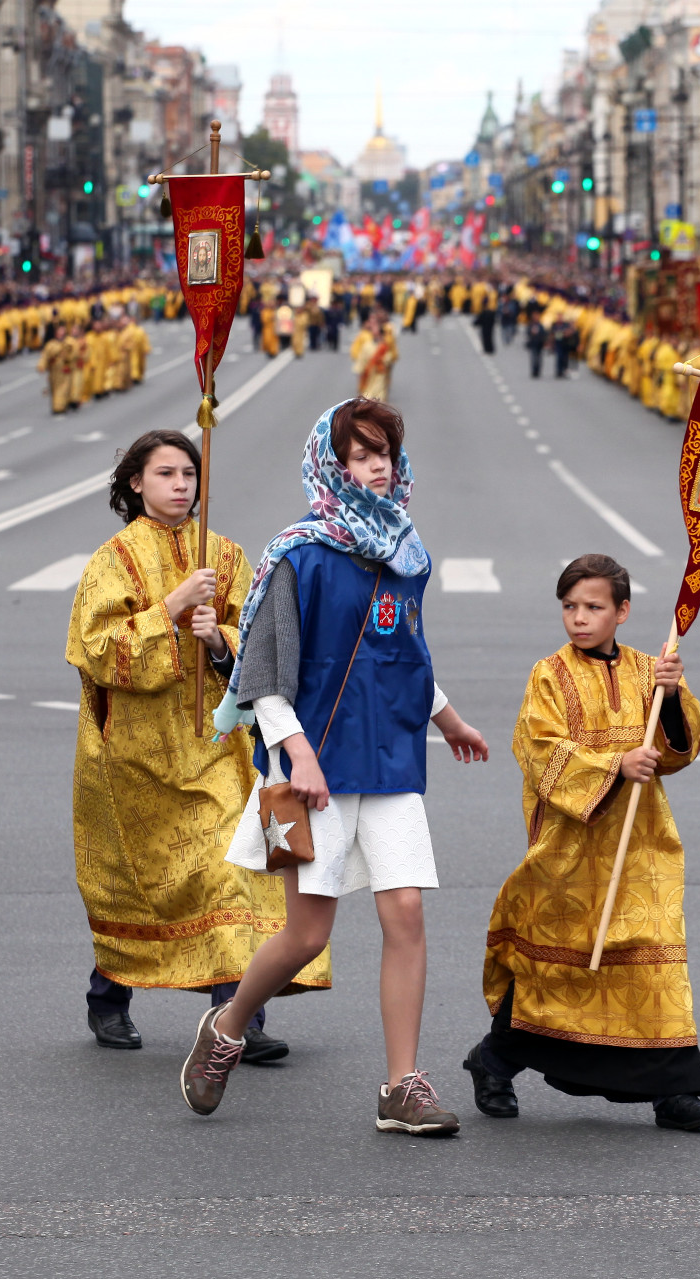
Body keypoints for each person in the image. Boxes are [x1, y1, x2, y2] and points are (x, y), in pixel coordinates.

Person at [178, 397, 491, 1134]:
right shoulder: (299, 553)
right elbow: (262, 673)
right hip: (307, 771)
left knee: (406, 911)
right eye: (361, 454)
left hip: (389, 758)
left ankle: (400, 1086)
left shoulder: (405, 550)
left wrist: (447, 717)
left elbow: (403, 653)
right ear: (333, 464)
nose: (377, 464)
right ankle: (227, 1026)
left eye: (385, 450)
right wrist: (299, 752)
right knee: (308, 935)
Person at [67, 430, 329, 1055]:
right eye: (165, 474)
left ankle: (236, 1020)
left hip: (219, 747)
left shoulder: (227, 555)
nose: (181, 485)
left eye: (189, 473)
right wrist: (172, 607)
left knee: (228, 872)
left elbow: (263, 643)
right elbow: (95, 652)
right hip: (136, 755)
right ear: (137, 483)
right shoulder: (113, 559)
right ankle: (108, 996)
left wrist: (219, 641)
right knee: (145, 882)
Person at [462, 554, 700, 1131]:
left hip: (643, 844)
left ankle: (674, 1093)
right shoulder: (548, 674)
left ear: (622, 611)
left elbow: (682, 747)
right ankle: (496, 1059)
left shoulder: (648, 670)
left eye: (593, 607)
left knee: (652, 962)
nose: (579, 618)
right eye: (570, 607)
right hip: (569, 848)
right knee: (559, 968)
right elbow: (537, 749)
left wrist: (674, 696)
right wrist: (613, 764)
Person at [349, 312, 397, 403]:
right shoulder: (364, 337)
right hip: (368, 372)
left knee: (380, 397)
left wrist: (385, 360)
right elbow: (358, 352)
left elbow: (389, 353)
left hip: (379, 373)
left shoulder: (385, 339)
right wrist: (360, 368)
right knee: (367, 398)